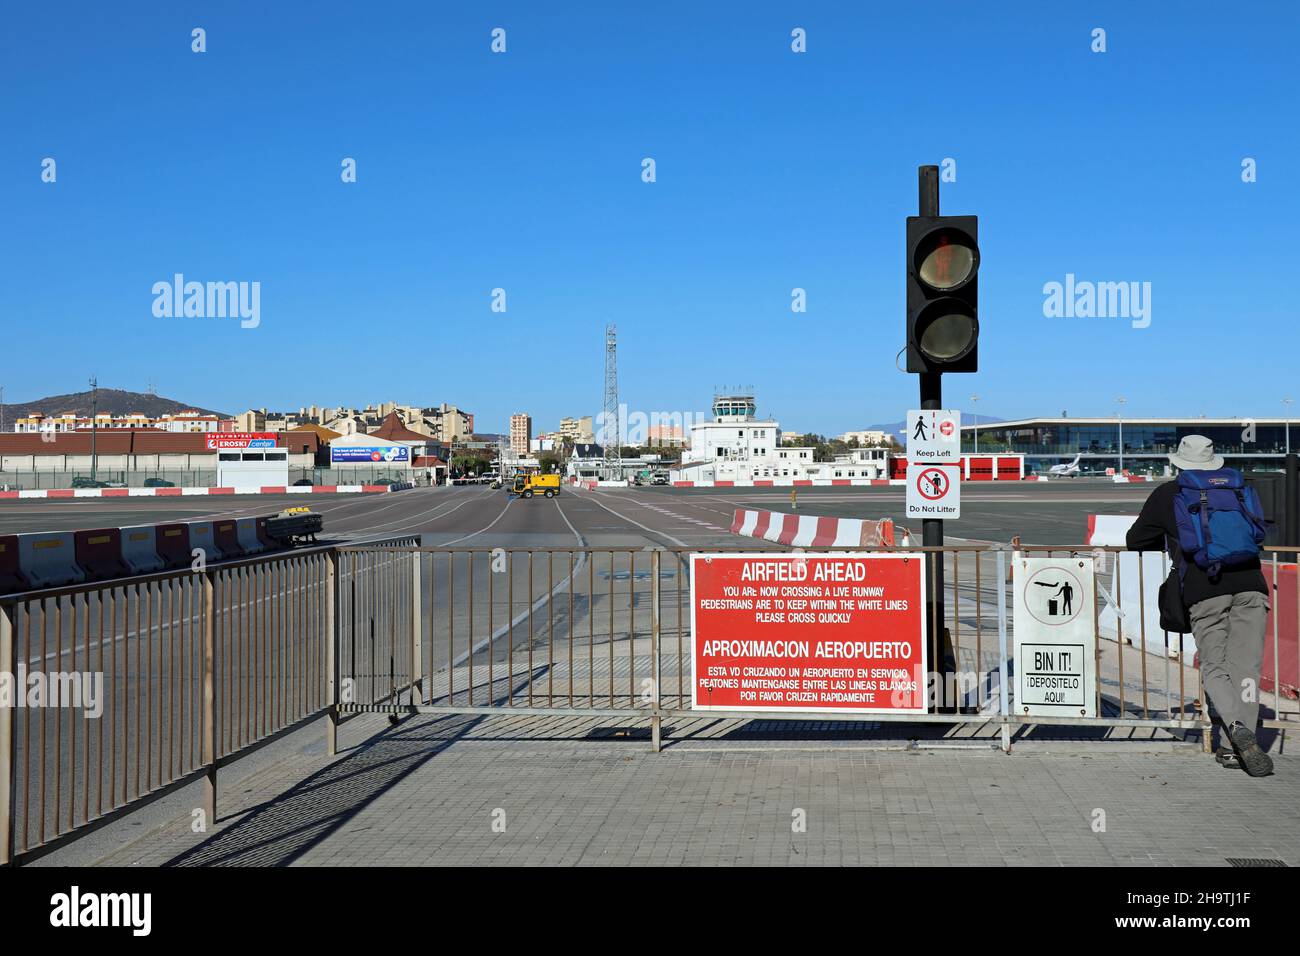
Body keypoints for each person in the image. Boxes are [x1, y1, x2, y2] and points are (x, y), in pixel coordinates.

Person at [1125, 435, 1272, 776]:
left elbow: (1136, 539)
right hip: (1252, 585)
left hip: (1205, 587)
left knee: (1214, 666)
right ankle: (1236, 748)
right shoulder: (1238, 488)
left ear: (1178, 463)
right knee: (1246, 669)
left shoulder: (1169, 493)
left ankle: (1236, 728)